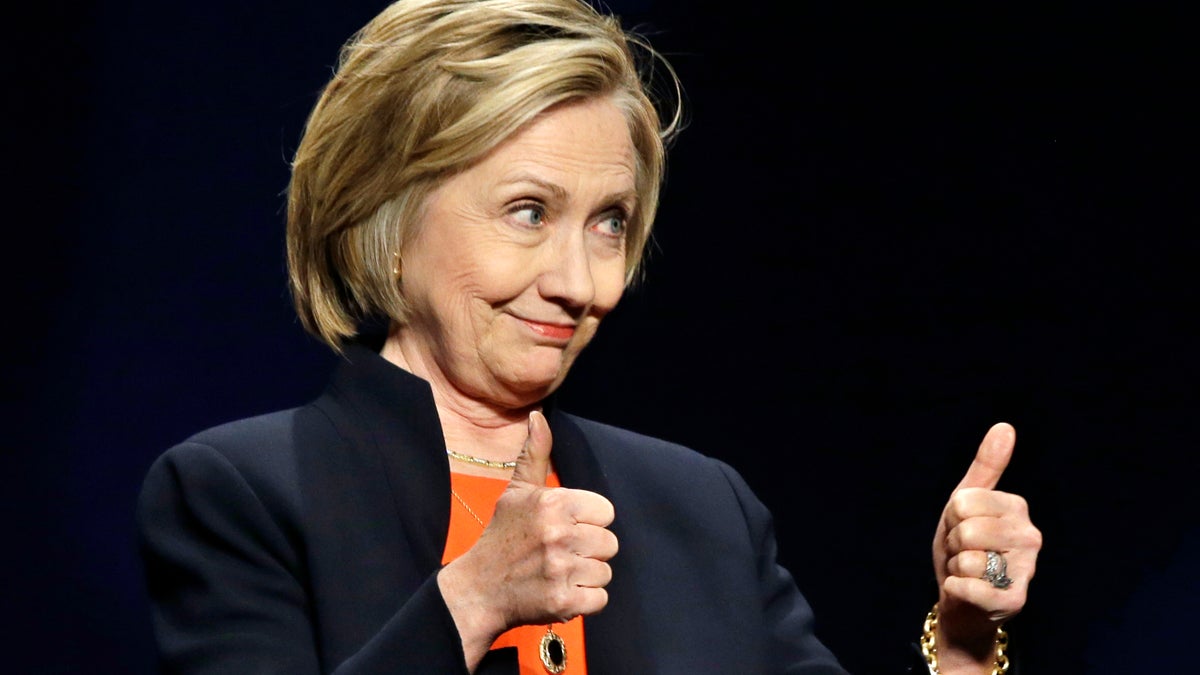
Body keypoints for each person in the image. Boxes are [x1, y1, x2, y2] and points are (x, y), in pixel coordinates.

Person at [136, 1, 1042, 673]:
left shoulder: (701, 505)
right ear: (386, 215)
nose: (580, 284)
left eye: (609, 223)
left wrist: (962, 645)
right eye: (528, 212)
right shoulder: (243, 492)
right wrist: (476, 597)